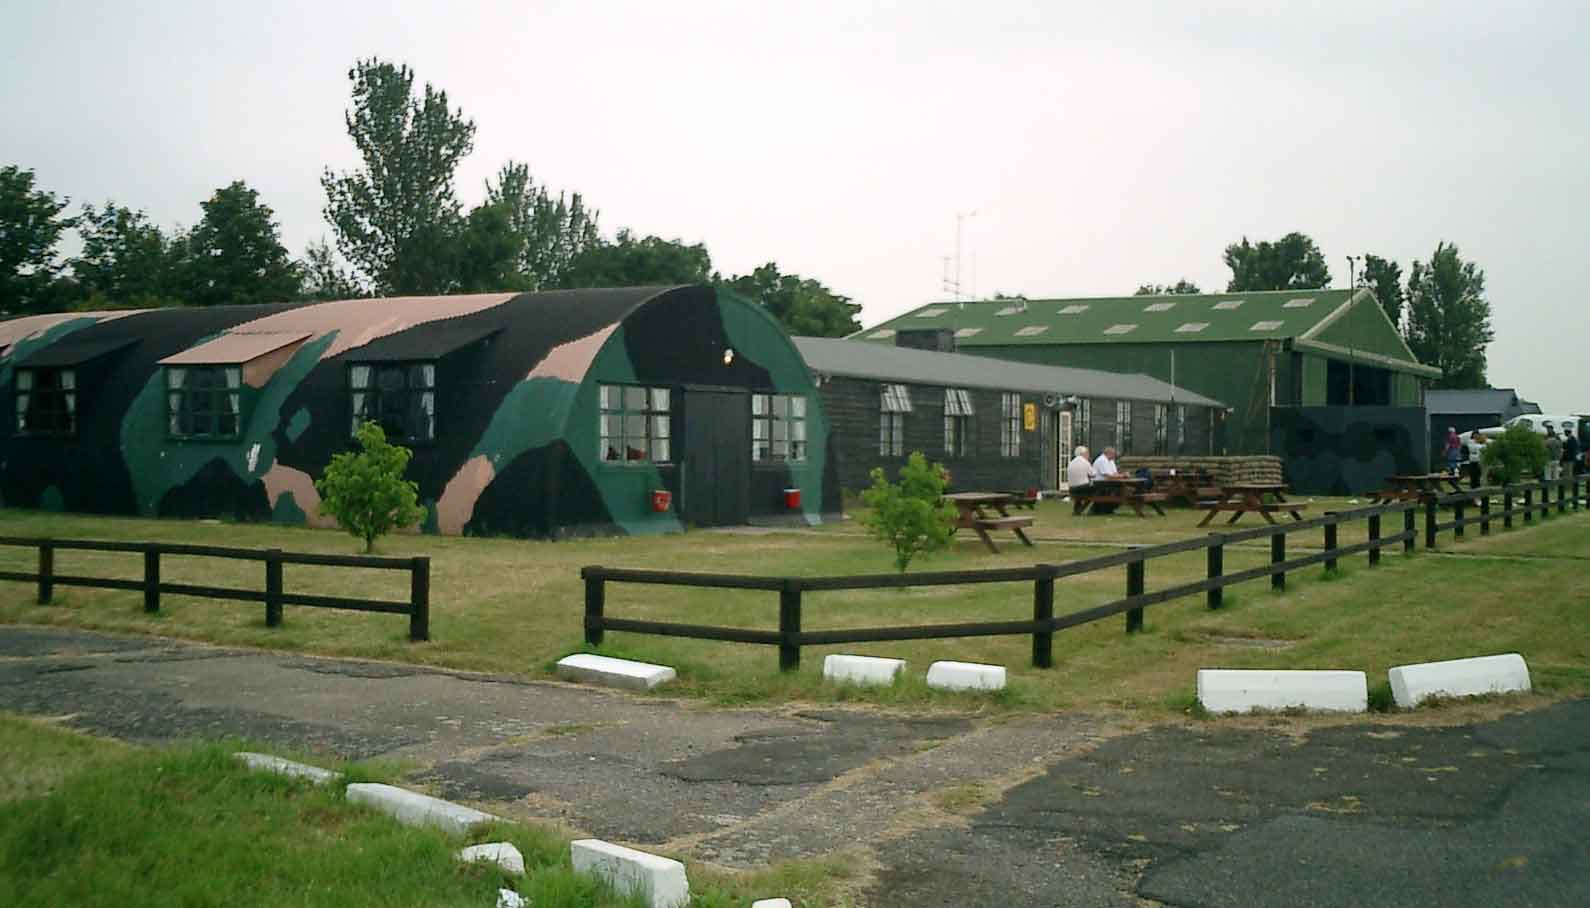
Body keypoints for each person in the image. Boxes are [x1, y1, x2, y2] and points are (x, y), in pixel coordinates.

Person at [1066, 446, 1095, 515]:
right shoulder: (1085, 462)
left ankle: (1077, 510)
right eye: (1087, 453)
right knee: (1096, 491)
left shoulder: (1071, 463)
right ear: (1083, 453)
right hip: (1083, 488)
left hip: (1071, 489)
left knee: (1078, 496)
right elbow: (1093, 474)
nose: (1088, 455)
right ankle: (1082, 509)